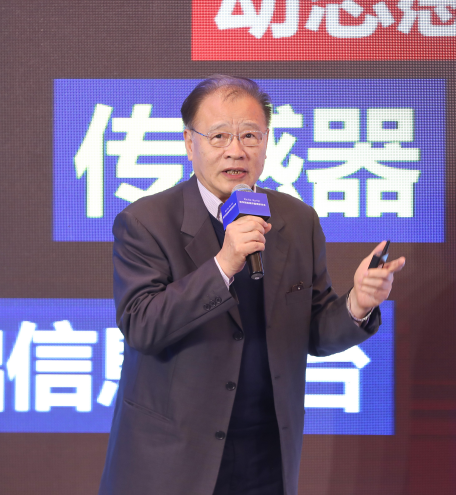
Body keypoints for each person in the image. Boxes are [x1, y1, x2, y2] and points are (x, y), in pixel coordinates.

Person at [98, 75, 405, 495]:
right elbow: (142, 325)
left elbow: (313, 331)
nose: (236, 150)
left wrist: (357, 305)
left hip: (266, 454)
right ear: (189, 143)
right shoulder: (146, 222)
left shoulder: (297, 220)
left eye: (249, 135)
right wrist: (223, 264)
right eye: (219, 136)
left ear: (266, 142)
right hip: (174, 459)